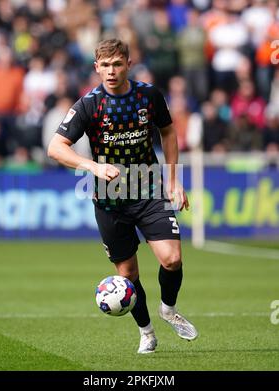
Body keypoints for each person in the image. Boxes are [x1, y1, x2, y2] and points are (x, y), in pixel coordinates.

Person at [48, 39, 198, 354]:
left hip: (148, 190)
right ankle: (146, 332)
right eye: (105, 65)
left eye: (117, 64)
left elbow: (167, 132)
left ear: (128, 63)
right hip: (109, 199)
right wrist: (91, 167)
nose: (111, 71)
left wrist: (173, 180)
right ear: (96, 68)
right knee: (128, 275)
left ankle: (168, 309)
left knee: (172, 259)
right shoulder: (89, 104)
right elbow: (55, 147)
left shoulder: (149, 96)